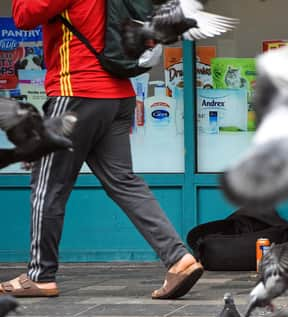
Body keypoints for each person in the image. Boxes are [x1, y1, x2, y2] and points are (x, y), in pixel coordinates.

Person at [1, 0, 203, 299]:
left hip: (77, 93)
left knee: (49, 186)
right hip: (117, 95)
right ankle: (178, 259)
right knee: (124, 182)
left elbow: (23, 15)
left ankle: (40, 275)